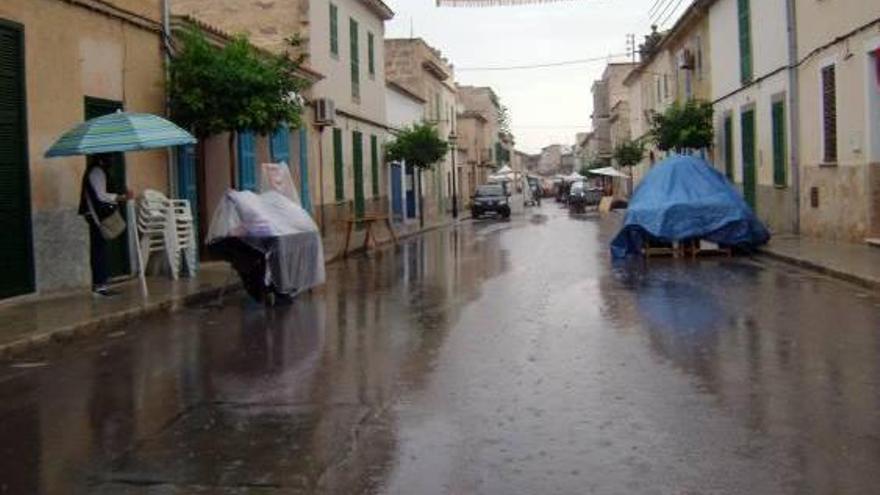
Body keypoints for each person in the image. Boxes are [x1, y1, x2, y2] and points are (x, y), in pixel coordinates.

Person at [78, 154, 132, 297]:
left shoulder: (98, 170)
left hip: (95, 214)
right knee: (99, 249)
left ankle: (101, 283)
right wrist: (120, 197)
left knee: (99, 248)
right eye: (110, 157)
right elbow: (101, 196)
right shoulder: (97, 171)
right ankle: (99, 286)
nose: (112, 160)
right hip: (96, 216)